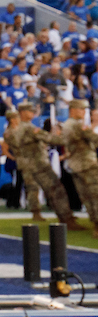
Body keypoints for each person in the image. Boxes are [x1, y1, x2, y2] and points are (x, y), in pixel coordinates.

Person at [5, 102, 82, 228]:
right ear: (23, 113)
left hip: (32, 163)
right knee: (56, 190)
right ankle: (66, 218)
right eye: (30, 111)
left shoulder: (20, 128)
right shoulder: (28, 128)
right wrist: (67, 137)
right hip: (38, 164)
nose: (33, 113)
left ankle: (62, 216)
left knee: (47, 190)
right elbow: (50, 139)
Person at [59, 99, 98, 236]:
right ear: (73, 110)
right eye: (82, 109)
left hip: (75, 165)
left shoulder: (66, 125)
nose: (84, 112)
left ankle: (95, 223)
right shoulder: (78, 125)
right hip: (87, 164)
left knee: (86, 197)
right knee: (95, 195)